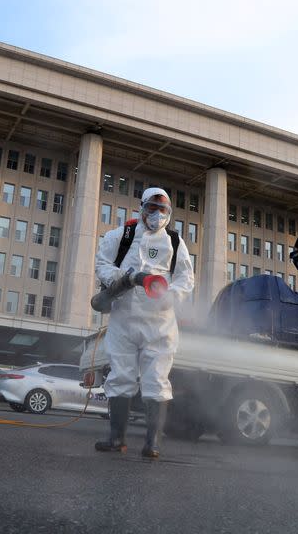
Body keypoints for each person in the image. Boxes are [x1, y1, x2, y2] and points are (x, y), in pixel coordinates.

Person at [94, 187, 194, 458]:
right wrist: (124, 278)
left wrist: (171, 296)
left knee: (157, 380)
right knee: (121, 376)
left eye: (163, 210)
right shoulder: (121, 236)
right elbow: (101, 264)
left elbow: (186, 277)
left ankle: (153, 443)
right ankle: (117, 439)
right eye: (152, 207)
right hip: (124, 318)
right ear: (141, 207)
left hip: (159, 323)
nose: (157, 214)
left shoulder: (174, 242)